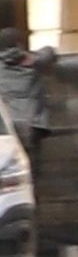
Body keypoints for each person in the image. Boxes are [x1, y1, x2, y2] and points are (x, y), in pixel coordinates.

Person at [0, 26, 57, 186]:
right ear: (19, 43)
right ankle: (31, 199)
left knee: (9, 167)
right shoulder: (34, 61)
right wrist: (33, 56)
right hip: (33, 123)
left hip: (8, 125)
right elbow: (50, 52)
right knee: (32, 168)